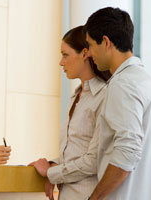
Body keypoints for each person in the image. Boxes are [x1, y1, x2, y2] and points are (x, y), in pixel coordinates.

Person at [84, 7, 151, 200]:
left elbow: (126, 153)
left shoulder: (122, 84)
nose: (88, 53)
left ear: (105, 42)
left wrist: (94, 198)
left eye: (91, 45)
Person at [29, 26, 111, 200]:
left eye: (65, 55)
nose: (61, 62)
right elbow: (77, 150)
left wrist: (53, 172)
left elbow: (94, 160)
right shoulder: (76, 96)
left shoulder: (104, 96)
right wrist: (54, 164)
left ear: (85, 53)